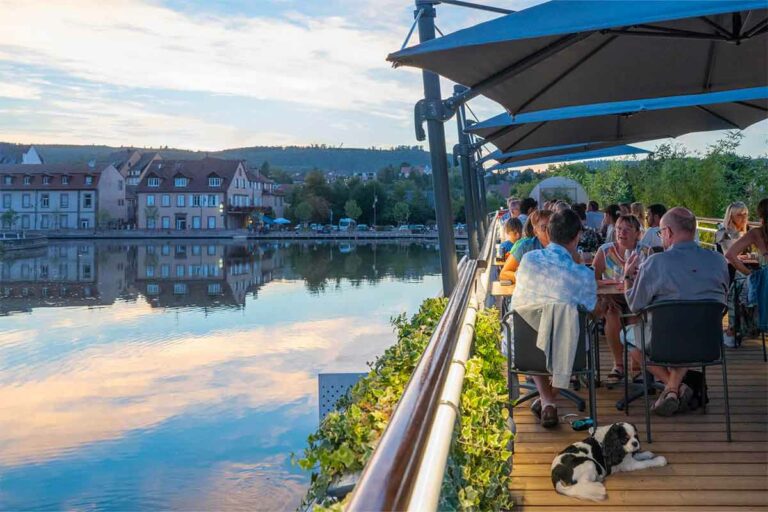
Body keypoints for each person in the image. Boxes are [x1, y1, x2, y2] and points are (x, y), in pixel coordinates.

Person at [623, 207, 729, 416]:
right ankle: (674, 388)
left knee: (625, 335)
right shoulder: (718, 261)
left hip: (664, 342)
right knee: (691, 329)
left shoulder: (655, 263)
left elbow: (635, 305)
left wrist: (627, 278)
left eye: (661, 233)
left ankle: (673, 387)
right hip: (707, 341)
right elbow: (722, 299)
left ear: (669, 233)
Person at [511, 209, 599, 427]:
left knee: (537, 325)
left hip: (525, 349)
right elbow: (593, 310)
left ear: (548, 233)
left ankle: (547, 399)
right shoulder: (583, 275)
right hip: (569, 352)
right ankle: (550, 398)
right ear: (577, 236)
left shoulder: (529, 260)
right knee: (568, 331)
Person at [593, 215, 650, 385]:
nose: (621, 233)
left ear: (637, 233)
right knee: (612, 315)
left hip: (636, 299)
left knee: (634, 317)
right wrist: (609, 288)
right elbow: (592, 280)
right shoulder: (605, 251)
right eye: (618, 228)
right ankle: (618, 365)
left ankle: (636, 367)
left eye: (627, 229)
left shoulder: (646, 252)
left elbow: (650, 280)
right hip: (612, 298)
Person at [725, 198, 768, 332]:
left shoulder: (756, 233)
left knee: (737, 288)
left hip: (764, 283)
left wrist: (751, 275)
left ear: (760, 215)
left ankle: (736, 329)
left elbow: (730, 255)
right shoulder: (725, 233)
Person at [717, 202, 751, 346]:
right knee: (740, 287)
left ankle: (740, 327)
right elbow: (729, 256)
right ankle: (732, 329)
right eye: (739, 215)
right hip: (727, 270)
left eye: (745, 214)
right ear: (731, 216)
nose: (743, 218)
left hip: (742, 269)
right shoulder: (722, 232)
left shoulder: (747, 230)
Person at [500, 209, 552, 281]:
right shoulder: (527, 246)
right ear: (535, 232)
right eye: (544, 227)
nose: (549, 230)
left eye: (552, 226)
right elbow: (504, 273)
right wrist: (530, 279)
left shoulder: (565, 244)